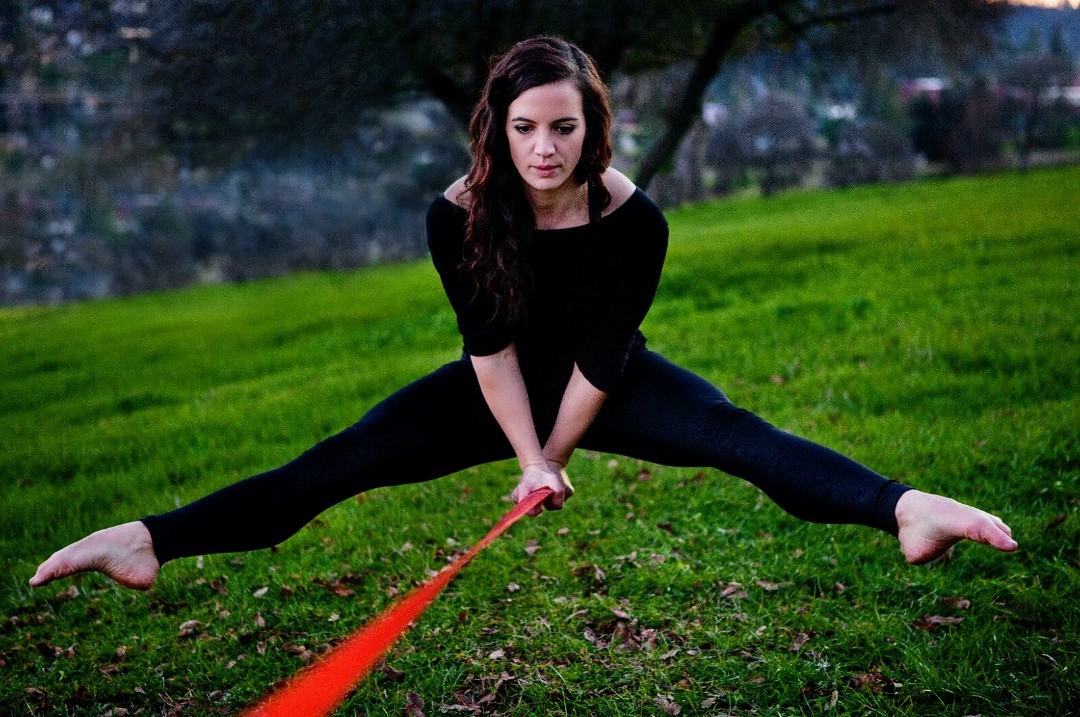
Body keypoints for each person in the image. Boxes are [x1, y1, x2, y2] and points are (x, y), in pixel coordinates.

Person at [30, 36, 1017, 593]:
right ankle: (147, 538)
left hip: (609, 382)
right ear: (498, 128)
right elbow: (491, 350)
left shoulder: (635, 222)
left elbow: (605, 355)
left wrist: (557, 453)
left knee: (736, 435)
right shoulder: (454, 216)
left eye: (564, 127)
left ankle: (906, 509)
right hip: (492, 388)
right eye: (526, 127)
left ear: (592, 127)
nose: (546, 148)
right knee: (336, 463)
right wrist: (528, 457)